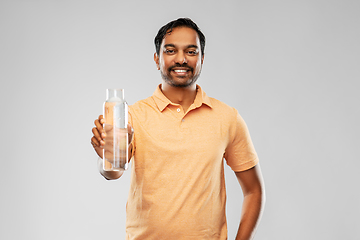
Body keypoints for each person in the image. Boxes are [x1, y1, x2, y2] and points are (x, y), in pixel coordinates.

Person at [91, 18, 265, 240]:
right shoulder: (132, 115)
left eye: (191, 52)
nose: (181, 59)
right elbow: (113, 171)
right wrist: (107, 157)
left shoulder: (227, 117)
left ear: (202, 59)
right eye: (171, 50)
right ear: (157, 59)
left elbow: (254, 190)